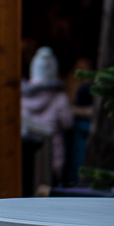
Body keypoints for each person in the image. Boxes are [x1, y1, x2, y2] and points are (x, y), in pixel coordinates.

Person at [20, 46, 73, 195]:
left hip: (28, 154)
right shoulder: (59, 97)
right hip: (52, 155)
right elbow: (68, 123)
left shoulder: (23, 96)